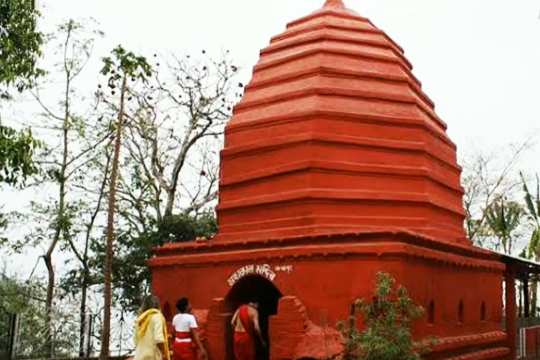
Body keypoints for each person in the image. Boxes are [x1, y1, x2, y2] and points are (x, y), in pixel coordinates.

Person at [134, 295, 170, 360]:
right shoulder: (157, 317)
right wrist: (164, 354)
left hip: (139, 356)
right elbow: (159, 339)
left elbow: (135, 340)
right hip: (152, 356)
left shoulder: (140, 319)